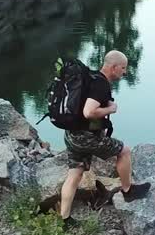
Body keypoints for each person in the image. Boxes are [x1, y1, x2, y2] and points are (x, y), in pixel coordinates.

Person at [58, 50, 150, 224]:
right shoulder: (101, 84)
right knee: (124, 151)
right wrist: (110, 109)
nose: (125, 72)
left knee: (75, 173)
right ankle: (128, 190)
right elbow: (89, 112)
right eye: (123, 68)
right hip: (86, 137)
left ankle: (65, 219)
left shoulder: (90, 77)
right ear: (113, 67)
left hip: (72, 134)